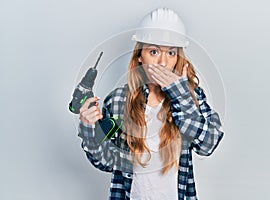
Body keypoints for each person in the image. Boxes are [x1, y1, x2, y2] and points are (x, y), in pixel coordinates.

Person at [78, 8, 224, 200]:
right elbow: (106, 161)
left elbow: (208, 145)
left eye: (171, 53)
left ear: (178, 58)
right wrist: (89, 129)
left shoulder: (192, 96)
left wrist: (180, 95)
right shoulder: (119, 100)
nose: (162, 62)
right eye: (154, 51)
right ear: (140, 56)